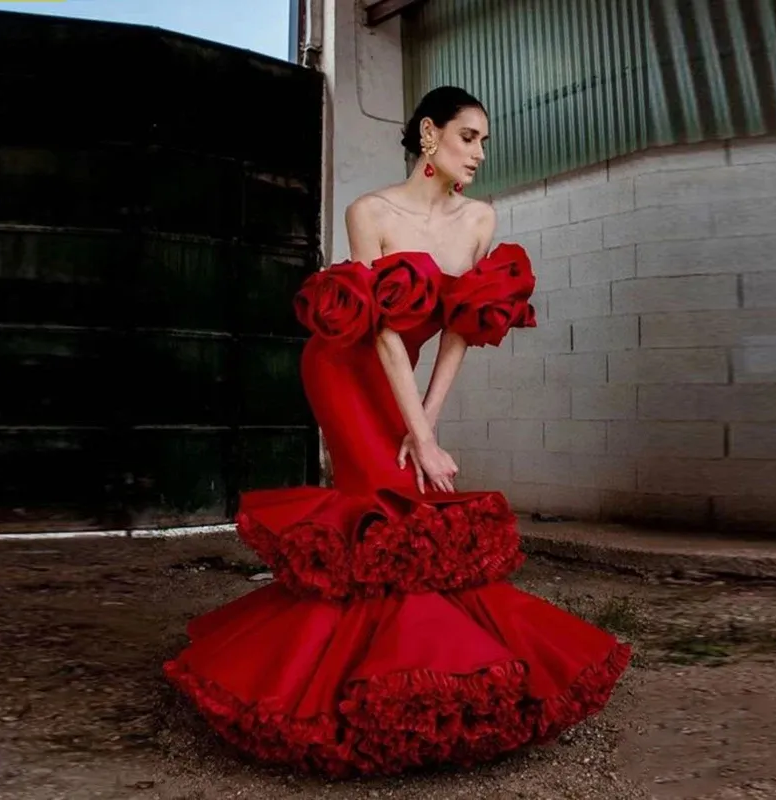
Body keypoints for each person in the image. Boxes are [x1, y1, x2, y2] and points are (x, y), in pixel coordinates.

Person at [163, 86, 631, 778]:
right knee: (387, 509)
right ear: (428, 135)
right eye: (468, 136)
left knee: (415, 502)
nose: (479, 153)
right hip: (343, 368)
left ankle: (443, 672)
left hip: (405, 380)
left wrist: (427, 429)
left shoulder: (479, 221)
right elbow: (381, 332)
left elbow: (461, 333)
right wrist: (417, 434)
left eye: (484, 142)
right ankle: (347, 696)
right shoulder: (370, 213)